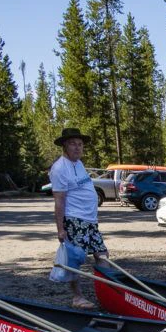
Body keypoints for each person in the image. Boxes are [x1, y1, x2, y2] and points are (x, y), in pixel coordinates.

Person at [49, 127, 108, 309]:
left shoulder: (79, 164)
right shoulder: (59, 168)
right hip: (74, 220)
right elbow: (59, 201)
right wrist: (60, 228)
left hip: (90, 221)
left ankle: (108, 292)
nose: (77, 147)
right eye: (73, 144)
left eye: (80, 144)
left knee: (102, 255)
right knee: (75, 259)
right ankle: (77, 297)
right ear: (65, 146)